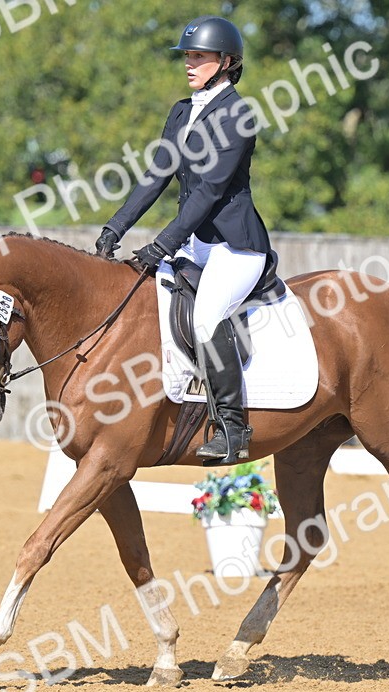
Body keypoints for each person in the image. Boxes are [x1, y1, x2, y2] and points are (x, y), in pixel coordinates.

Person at [94, 15, 275, 466]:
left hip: (235, 246)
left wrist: (163, 243)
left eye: (199, 57)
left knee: (208, 315)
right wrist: (114, 228)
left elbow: (211, 191)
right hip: (196, 246)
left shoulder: (238, 115)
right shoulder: (181, 110)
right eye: (188, 56)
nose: (189, 64)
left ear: (227, 62)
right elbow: (156, 176)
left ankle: (234, 429)